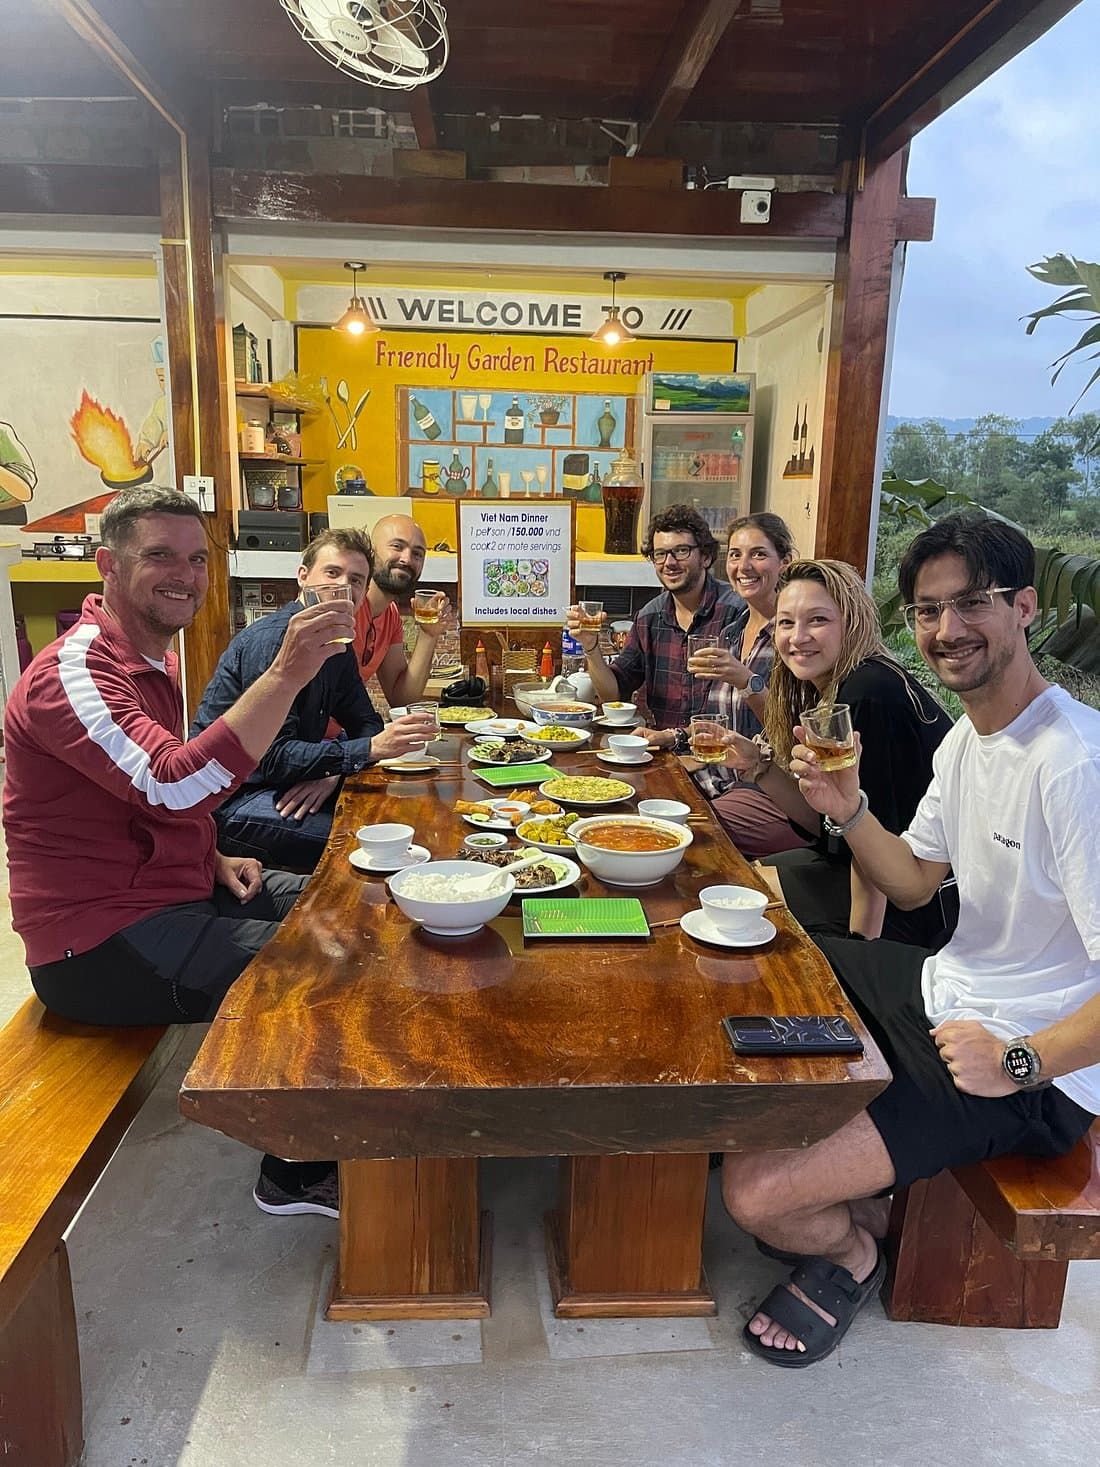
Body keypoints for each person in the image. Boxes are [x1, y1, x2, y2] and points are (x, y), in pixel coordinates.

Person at [721, 513, 1099, 1367]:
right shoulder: (970, 737)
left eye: (972, 604)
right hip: (946, 985)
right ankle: (874, 1194)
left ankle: (852, 1252)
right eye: (928, 610)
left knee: (754, 1192)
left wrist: (1022, 1061)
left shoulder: (1073, 761)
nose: (946, 629)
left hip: (1035, 1063)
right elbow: (915, 881)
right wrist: (848, 809)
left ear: (1026, 606)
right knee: (753, 966)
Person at [2, 484, 356, 1219]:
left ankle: (360, 1115)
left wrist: (210, 860)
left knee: (348, 905)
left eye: (197, 558)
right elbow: (172, 786)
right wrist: (286, 673)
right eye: (159, 555)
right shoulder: (73, 675)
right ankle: (295, 1171)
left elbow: (157, 799)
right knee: (319, 974)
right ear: (107, 564)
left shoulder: (149, 657)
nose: (186, 574)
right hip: (96, 945)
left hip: (174, 893)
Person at [719, 557, 954, 943]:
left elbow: (872, 846)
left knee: (742, 904)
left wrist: (860, 953)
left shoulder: (868, 692)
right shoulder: (831, 690)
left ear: (851, 621)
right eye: (786, 622)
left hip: (917, 908)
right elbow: (828, 823)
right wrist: (757, 767)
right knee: (738, 882)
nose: (798, 637)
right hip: (850, 869)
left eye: (818, 620)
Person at [190, 528, 437, 871]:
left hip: (286, 784)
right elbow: (272, 757)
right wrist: (366, 750)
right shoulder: (275, 639)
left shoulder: (338, 645)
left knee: (407, 812)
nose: (342, 588)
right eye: (332, 573)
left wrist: (331, 773)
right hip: (232, 802)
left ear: (365, 592)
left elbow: (367, 722)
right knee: (375, 846)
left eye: (355, 580)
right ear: (303, 577)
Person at [646, 512, 812, 860]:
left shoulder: (796, 641)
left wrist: (746, 680)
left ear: (785, 562)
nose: (744, 566)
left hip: (772, 792)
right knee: (638, 802)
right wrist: (672, 738)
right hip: (719, 779)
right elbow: (719, 723)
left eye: (758, 554)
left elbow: (792, 730)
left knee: (681, 839)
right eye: (736, 555)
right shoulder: (732, 632)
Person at [566, 503, 744, 729]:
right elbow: (614, 695)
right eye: (660, 554)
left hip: (719, 753)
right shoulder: (650, 617)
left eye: (681, 551)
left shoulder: (736, 612)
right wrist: (591, 646)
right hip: (663, 753)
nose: (669, 563)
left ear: (706, 557)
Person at [349, 513, 448, 705]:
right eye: (397, 546)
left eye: (417, 554)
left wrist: (429, 635)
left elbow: (401, 699)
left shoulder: (390, 614)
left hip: (343, 733)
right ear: (371, 552)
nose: (407, 559)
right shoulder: (348, 605)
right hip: (309, 733)